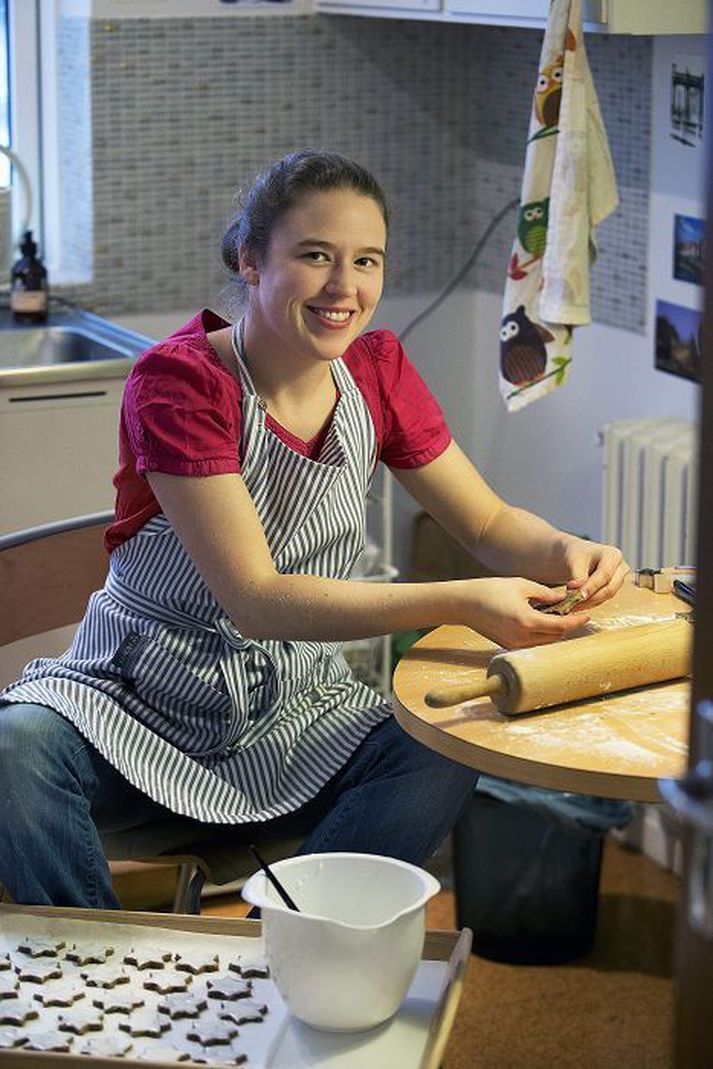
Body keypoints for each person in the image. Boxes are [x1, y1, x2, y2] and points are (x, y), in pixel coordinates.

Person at [0, 150, 628, 909]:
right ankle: (101, 994)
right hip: (131, 709)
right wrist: (463, 600)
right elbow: (257, 599)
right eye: (314, 256)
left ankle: (290, 949)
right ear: (250, 260)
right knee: (15, 749)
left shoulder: (377, 371)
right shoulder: (180, 383)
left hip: (292, 714)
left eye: (366, 260)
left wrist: (566, 548)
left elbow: (488, 521)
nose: (344, 287)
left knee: (443, 747)